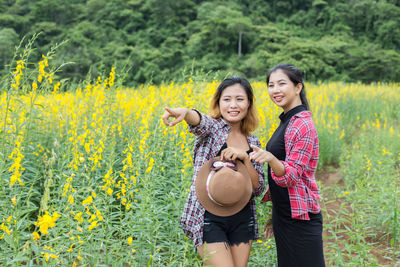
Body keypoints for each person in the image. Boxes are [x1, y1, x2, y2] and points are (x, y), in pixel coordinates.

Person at [162, 77, 265, 267]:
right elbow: (200, 122)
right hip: (208, 219)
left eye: (240, 99)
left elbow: (257, 189)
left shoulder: (254, 143)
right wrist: (185, 113)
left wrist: (245, 158)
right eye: (227, 99)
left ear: (249, 103)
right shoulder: (213, 130)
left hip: (243, 218)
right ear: (218, 103)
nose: (233, 105)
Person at [249, 64, 325, 267]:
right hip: (286, 216)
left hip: (301, 220)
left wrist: (271, 159)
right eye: (271, 85)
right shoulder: (287, 121)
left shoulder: (302, 124)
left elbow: (291, 176)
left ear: (298, 87)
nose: (275, 90)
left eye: (282, 84)